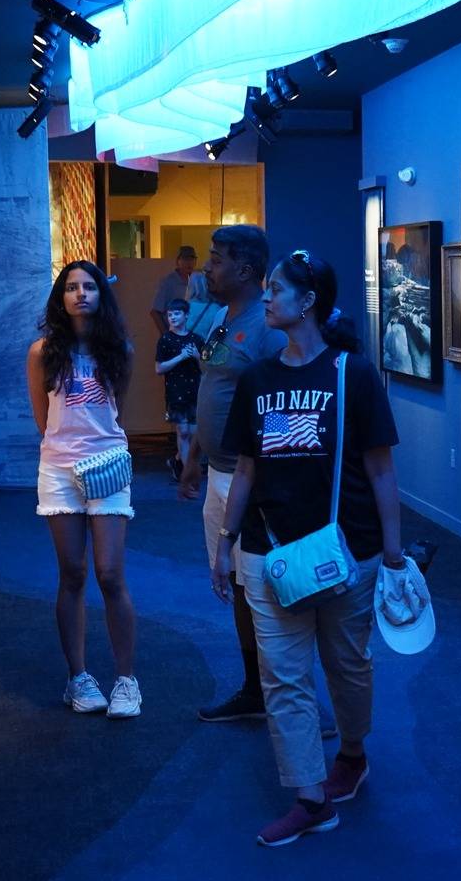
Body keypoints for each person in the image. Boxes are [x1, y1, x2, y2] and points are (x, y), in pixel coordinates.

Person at [213, 250, 418, 847]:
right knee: (283, 678)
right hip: (269, 553)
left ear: (308, 303)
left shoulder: (353, 375)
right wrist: (225, 543)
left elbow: (381, 470)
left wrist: (395, 554)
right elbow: (245, 470)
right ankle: (309, 797)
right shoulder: (257, 379)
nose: (267, 297)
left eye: (276, 289)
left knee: (348, 667)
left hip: (348, 553)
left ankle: (351, 757)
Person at [180, 224, 287, 723]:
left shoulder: (268, 330)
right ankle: (256, 691)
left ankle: (291, 697)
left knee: (266, 593)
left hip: (253, 483)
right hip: (218, 475)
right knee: (240, 589)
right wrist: (193, 456)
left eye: (216, 259)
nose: (208, 266)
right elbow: (215, 392)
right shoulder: (224, 319)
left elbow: (282, 410)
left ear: (245, 269)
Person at [28, 260, 141, 719]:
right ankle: (78, 677)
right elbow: (43, 419)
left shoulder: (120, 350)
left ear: (100, 295)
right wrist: (67, 449)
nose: (80, 294)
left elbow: (118, 411)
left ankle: (126, 680)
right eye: (71, 287)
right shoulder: (42, 352)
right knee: (72, 573)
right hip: (58, 470)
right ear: (61, 297)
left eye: (88, 286)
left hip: (109, 464)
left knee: (110, 573)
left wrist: (97, 443)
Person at [154, 297, 201, 481]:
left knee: (195, 433)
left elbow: (206, 366)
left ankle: (177, 461)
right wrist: (181, 357)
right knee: (183, 431)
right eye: (169, 314)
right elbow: (158, 368)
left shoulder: (196, 339)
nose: (172, 317)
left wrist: (196, 355)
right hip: (175, 390)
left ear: (186, 315)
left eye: (176, 314)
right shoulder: (165, 340)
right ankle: (186, 472)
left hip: (195, 389)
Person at [150, 245, 199, 337]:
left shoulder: (198, 282)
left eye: (192, 259)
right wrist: (166, 334)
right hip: (175, 334)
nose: (189, 263)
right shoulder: (168, 282)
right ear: (178, 261)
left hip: (194, 335)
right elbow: (155, 312)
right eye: (185, 259)